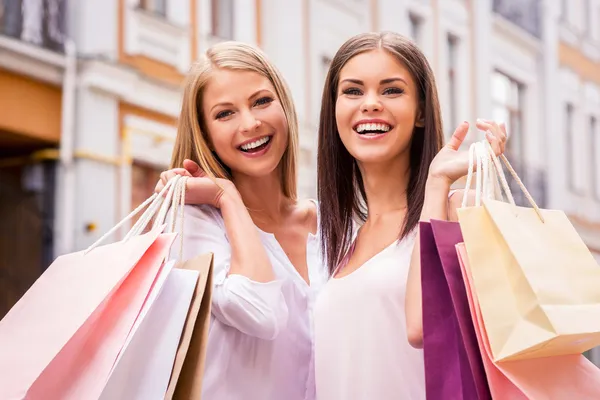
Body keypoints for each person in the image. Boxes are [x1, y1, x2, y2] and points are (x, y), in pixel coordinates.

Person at [313, 31, 507, 399]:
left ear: (420, 112)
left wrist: (436, 182)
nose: (370, 104)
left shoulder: (455, 207)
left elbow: (423, 326)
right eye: (353, 91)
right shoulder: (342, 239)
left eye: (391, 90)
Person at [155, 41, 327, 400]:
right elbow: (260, 313)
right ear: (205, 134)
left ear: (284, 105)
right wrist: (226, 198)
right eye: (225, 114)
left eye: (261, 101)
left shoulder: (331, 225)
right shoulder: (194, 222)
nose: (250, 123)